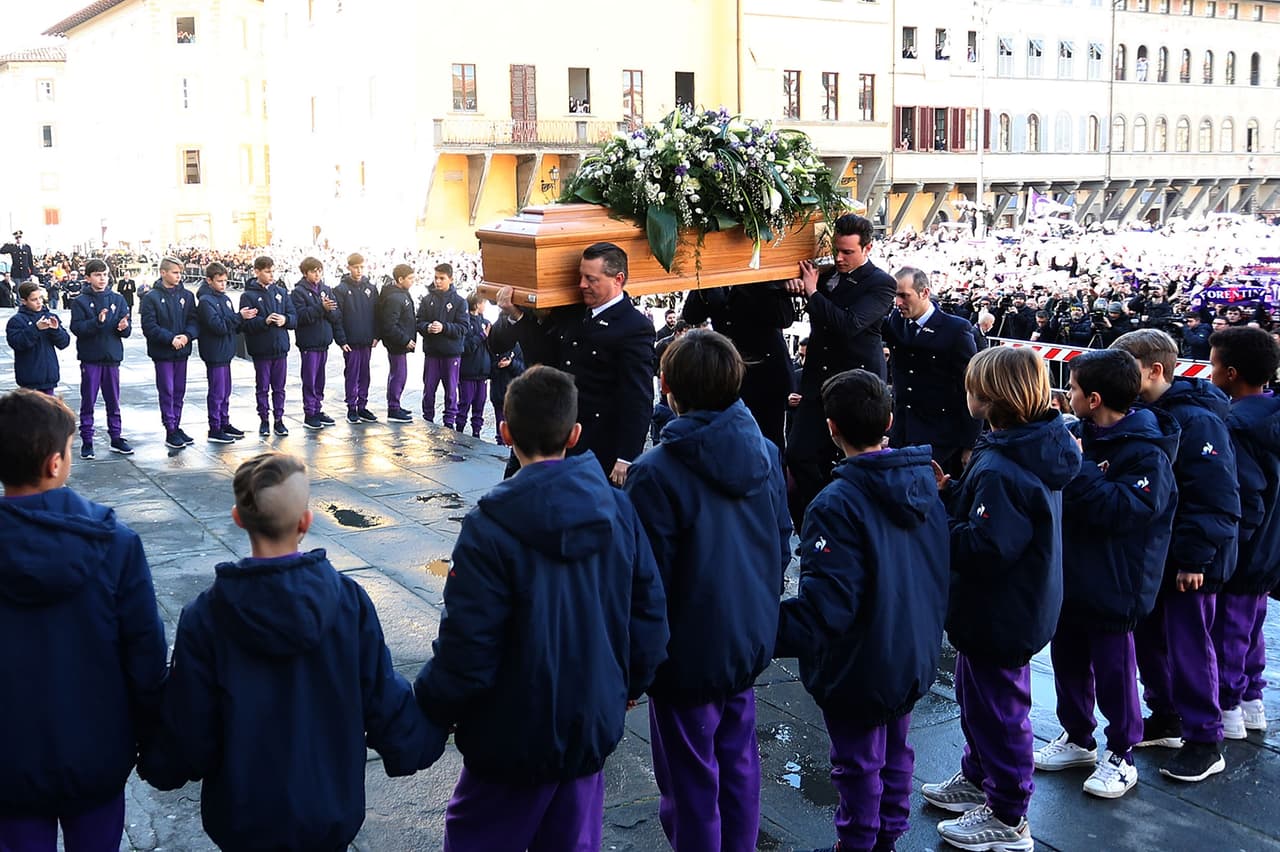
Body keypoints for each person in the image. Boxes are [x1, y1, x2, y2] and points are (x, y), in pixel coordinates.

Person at [413, 366, 669, 850]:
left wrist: (433, 706)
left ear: (505, 431)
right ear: (574, 434)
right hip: (590, 717)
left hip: (509, 729)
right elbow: (649, 612)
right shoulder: (617, 509)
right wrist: (630, 682)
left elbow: (469, 645)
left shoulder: (489, 526)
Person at [138, 452, 446, 850]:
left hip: (243, 815)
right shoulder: (348, 603)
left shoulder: (207, 617)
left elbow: (190, 724)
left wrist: (160, 761)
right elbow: (382, 698)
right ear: (305, 521)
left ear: (237, 517)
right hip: (327, 810)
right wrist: (426, 735)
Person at [623, 330, 791, 851]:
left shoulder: (655, 470)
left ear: (667, 385)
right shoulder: (763, 449)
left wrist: (635, 665)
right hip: (746, 636)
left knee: (689, 778)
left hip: (685, 651)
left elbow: (646, 582)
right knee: (738, 764)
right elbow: (781, 541)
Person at [775, 369, 949, 852]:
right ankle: (888, 835)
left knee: (856, 764)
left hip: (860, 660)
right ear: (890, 420)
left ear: (831, 428)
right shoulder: (925, 484)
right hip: (910, 648)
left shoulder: (836, 503)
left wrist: (759, 629)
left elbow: (826, 608)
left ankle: (857, 842)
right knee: (896, 753)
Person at [922, 346, 1080, 852]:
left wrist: (936, 522)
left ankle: (1010, 815)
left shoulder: (1003, 467)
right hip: (1006, 607)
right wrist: (951, 493)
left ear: (989, 397)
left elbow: (986, 547)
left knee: (1000, 711)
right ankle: (978, 777)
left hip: (1002, 610)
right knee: (975, 699)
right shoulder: (1026, 448)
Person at [0, 389, 167, 852]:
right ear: (55, 462)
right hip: (96, 748)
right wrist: (152, 734)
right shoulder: (115, 543)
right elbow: (144, 653)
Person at [1035, 349, 1178, 800]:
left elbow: (1125, 511)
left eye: (1073, 389)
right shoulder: (1079, 434)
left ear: (1094, 398)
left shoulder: (1146, 451)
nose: (1067, 395)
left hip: (1118, 583)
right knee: (1068, 660)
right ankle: (1078, 736)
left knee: (1115, 671)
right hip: (1072, 575)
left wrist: (1076, 469)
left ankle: (1122, 752)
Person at [1110, 329, 1240, 783]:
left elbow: (1216, 495)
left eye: (1126, 368)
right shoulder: (1144, 412)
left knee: (1189, 645)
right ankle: (1166, 715)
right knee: (1151, 641)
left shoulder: (1198, 420)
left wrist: (1195, 559)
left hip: (1188, 559)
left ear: (1154, 370)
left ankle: (1206, 738)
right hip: (1154, 556)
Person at [489, 242, 655, 484]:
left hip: (595, 447)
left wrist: (627, 456)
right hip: (553, 436)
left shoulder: (634, 327)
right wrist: (517, 315)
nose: (582, 285)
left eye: (591, 279)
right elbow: (544, 354)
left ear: (618, 279)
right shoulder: (573, 313)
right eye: (580, 276)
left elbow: (637, 396)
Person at [784, 214, 896, 526]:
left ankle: (846, 518)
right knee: (799, 454)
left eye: (847, 252)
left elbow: (849, 325)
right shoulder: (828, 274)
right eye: (837, 250)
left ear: (867, 248)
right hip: (817, 382)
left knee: (854, 457)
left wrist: (812, 293)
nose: (839, 257)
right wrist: (801, 289)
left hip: (854, 387)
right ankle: (821, 517)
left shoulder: (882, 284)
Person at [1206, 327, 1280, 739]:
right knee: (1252, 624)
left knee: (1229, 630)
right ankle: (1252, 699)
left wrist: (1228, 548)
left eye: (1213, 365)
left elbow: (1245, 495)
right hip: (1272, 546)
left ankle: (1227, 705)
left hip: (1246, 548)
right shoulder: (1272, 416)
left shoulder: (1235, 426)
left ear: (1231, 373)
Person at [882, 267, 982, 478]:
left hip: (941, 440)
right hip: (903, 432)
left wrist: (969, 444)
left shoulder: (955, 330)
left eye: (904, 296)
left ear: (924, 293)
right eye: (895, 296)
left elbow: (972, 387)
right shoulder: (896, 321)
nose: (898, 302)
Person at [681, 282, 797, 451]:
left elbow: (784, 317)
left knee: (768, 443)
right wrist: (704, 281)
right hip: (729, 375)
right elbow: (691, 315)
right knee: (732, 443)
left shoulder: (763, 280)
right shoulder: (714, 278)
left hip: (765, 376)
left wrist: (747, 282)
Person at [69, 258, 134, 458]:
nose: (102, 278)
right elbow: (77, 328)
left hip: (112, 357)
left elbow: (125, 327)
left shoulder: (117, 299)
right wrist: (96, 322)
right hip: (91, 358)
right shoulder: (80, 301)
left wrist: (124, 328)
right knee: (88, 400)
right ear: (88, 278)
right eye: (97, 275)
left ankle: (116, 436)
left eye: (105, 274)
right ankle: (87, 440)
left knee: (113, 400)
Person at [140, 257, 199, 449]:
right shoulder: (151, 297)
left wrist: (187, 336)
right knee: (167, 391)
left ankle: (177, 425)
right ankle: (170, 429)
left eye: (180, 272)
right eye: (174, 272)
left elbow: (193, 320)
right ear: (163, 273)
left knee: (179, 391)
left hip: (182, 351)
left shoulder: (188, 296)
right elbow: (149, 326)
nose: (178, 276)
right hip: (163, 352)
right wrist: (170, 339)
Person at [239, 256, 297, 438]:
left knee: (279, 387)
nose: (271, 275)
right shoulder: (248, 296)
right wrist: (263, 321)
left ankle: (279, 419)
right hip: (261, 349)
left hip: (280, 348)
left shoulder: (281, 292)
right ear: (257, 272)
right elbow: (245, 325)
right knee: (262, 387)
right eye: (267, 271)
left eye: (273, 271)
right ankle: (264, 420)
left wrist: (285, 320)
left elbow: (294, 317)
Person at [196, 262, 254, 443]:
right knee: (217, 392)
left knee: (225, 391)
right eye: (219, 281)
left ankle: (224, 421)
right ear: (209, 280)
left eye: (225, 281)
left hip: (225, 352)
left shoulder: (225, 298)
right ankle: (215, 427)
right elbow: (218, 326)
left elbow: (230, 324)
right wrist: (238, 318)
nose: (223, 284)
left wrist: (240, 320)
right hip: (214, 352)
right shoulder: (206, 302)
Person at [291, 257, 343, 430]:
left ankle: (318, 408)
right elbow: (301, 316)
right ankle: (309, 412)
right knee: (310, 379)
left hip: (323, 342)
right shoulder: (298, 292)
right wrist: (321, 308)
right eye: (313, 271)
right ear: (305, 273)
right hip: (309, 342)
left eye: (320, 270)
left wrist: (328, 310)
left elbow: (336, 314)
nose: (317, 274)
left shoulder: (326, 289)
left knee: (320, 379)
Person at [416, 262, 468, 429]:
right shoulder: (427, 299)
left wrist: (444, 327)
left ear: (451, 279)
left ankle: (449, 422)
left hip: (451, 354)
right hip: (432, 353)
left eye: (442, 278)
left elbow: (464, 327)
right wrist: (427, 327)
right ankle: (428, 418)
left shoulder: (460, 302)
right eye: (436, 278)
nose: (438, 282)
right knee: (429, 389)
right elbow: (419, 322)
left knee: (451, 391)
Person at [332, 253, 380, 424]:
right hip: (350, 342)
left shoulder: (371, 288)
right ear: (349, 268)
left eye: (361, 267)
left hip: (367, 340)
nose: (359, 271)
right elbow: (337, 317)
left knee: (365, 374)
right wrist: (342, 340)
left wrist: (376, 335)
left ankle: (362, 405)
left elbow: (377, 313)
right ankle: (351, 407)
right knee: (352, 374)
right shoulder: (341, 290)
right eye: (355, 267)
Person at [6, 282, 70, 395]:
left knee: (49, 411)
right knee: (30, 411)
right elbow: (18, 343)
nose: (39, 302)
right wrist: (35, 329)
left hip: (49, 377)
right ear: (24, 301)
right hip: (29, 379)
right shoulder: (16, 321)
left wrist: (56, 330)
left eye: (40, 298)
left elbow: (64, 343)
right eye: (34, 299)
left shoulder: (50, 316)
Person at [376, 263, 418, 423]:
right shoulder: (395, 297)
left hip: (400, 343)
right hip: (397, 344)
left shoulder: (401, 293)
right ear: (400, 279)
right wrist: (405, 340)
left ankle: (396, 404)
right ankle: (393, 407)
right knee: (398, 375)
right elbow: (389, 325)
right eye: (410, 278)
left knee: (400, 374)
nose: (413, 281)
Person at [456, 293, 491, 437]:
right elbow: (465, 347)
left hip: (482, 372)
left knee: (480, 403)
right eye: (483, 302)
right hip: (467, 372)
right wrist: (481, 336)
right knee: (465, 402)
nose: (485, 305)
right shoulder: (465, 323)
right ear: (477, 305)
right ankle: (459, 429)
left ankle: (477, 432)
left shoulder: (487, 323)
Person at [489, 344, 524, 445]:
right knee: (500, 423)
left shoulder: (517, 347)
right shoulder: (493, 346)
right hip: (498, 394)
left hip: (515, 394)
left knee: (515, 425)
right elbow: (487, 369)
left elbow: (523, 370)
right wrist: (498, 365)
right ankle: (500, 445)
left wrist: (511, 363)